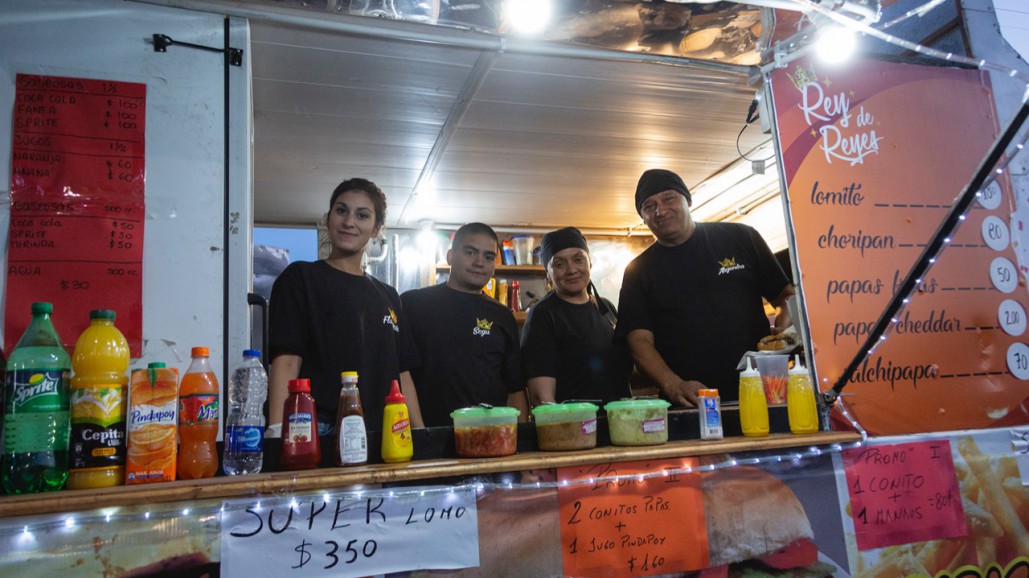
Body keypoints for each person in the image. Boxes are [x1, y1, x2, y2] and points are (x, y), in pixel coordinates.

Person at [615, 168, 795, 407]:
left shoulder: (741, 238)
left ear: (687, 200)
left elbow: (786, 296)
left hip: (761, 392)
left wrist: (782, 334)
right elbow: (638, 342)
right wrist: (672, 384)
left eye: (669, 198)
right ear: (643, 217)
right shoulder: (637, 271)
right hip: (691, 404)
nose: (661, 210)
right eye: (649, 206)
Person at [267, 178, 424, 437]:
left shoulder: (389, 296)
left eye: (362, 215)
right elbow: (286, 362)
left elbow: (402, 374)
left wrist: (420, 434)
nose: (349, 221)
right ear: (328, 218)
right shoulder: (301, 278)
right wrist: (277, 432)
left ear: (376, 229)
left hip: (385, 434)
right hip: (320, 431)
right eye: (341, 210)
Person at [402, 223, 528, 427]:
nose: (479, 262)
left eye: (488, 257)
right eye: (470, 252)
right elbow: (400, 375)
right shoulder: (413, 304)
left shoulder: (503, 316)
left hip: (489, 436)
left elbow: (515, 389)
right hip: (429, 436)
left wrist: (519, 438)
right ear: (450, 256)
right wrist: (419, 434)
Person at [520, 227, 631, 406]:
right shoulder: (542, 315)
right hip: (576, 422)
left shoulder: (606, 307)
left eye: (578, 259)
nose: (571, 269)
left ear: (590, 263)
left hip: (620, 418)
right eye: (559, 264)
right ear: (548, 273)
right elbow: (542, 399)